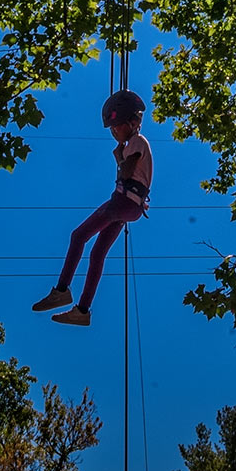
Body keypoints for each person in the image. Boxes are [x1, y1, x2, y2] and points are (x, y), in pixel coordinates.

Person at [33, 88, 152, 326]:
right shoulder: (132, 143)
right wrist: (120, 155)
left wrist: (119, 158)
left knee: (78, 236)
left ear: (131, 122)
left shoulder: (137, 141)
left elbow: (127, 172)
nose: (113, 132)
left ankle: (62, 290)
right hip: (130, 207)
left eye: (116, 126)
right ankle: (83, 310)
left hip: (124, 202)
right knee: (97, 254)